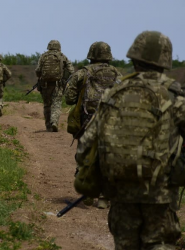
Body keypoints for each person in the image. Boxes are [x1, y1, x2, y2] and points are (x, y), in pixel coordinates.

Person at [75, 31, 185, 249]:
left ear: (134, 58)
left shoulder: (114, 94)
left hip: (120, 192)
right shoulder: (179, 97)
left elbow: (86, 145)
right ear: (165, 61)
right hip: (161, 194)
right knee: (159, 243)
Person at [64, 41, 123, 209]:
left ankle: (88, 195)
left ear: (91, 55)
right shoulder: (117, 74)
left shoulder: (83, 73)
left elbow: (69, 97)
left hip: (87, 120)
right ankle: (104, 198)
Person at [35, 40, 74, 131]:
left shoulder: (43, 56)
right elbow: (71, 70)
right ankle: (54, 122)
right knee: (56, 104)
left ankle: (48, 126)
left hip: (45, 84)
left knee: (47, 105)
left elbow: (37, 70)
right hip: (58, 84)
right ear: (59, 47)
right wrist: (66, 78)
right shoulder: (62, 56)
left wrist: (41, 77)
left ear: (48, 46)